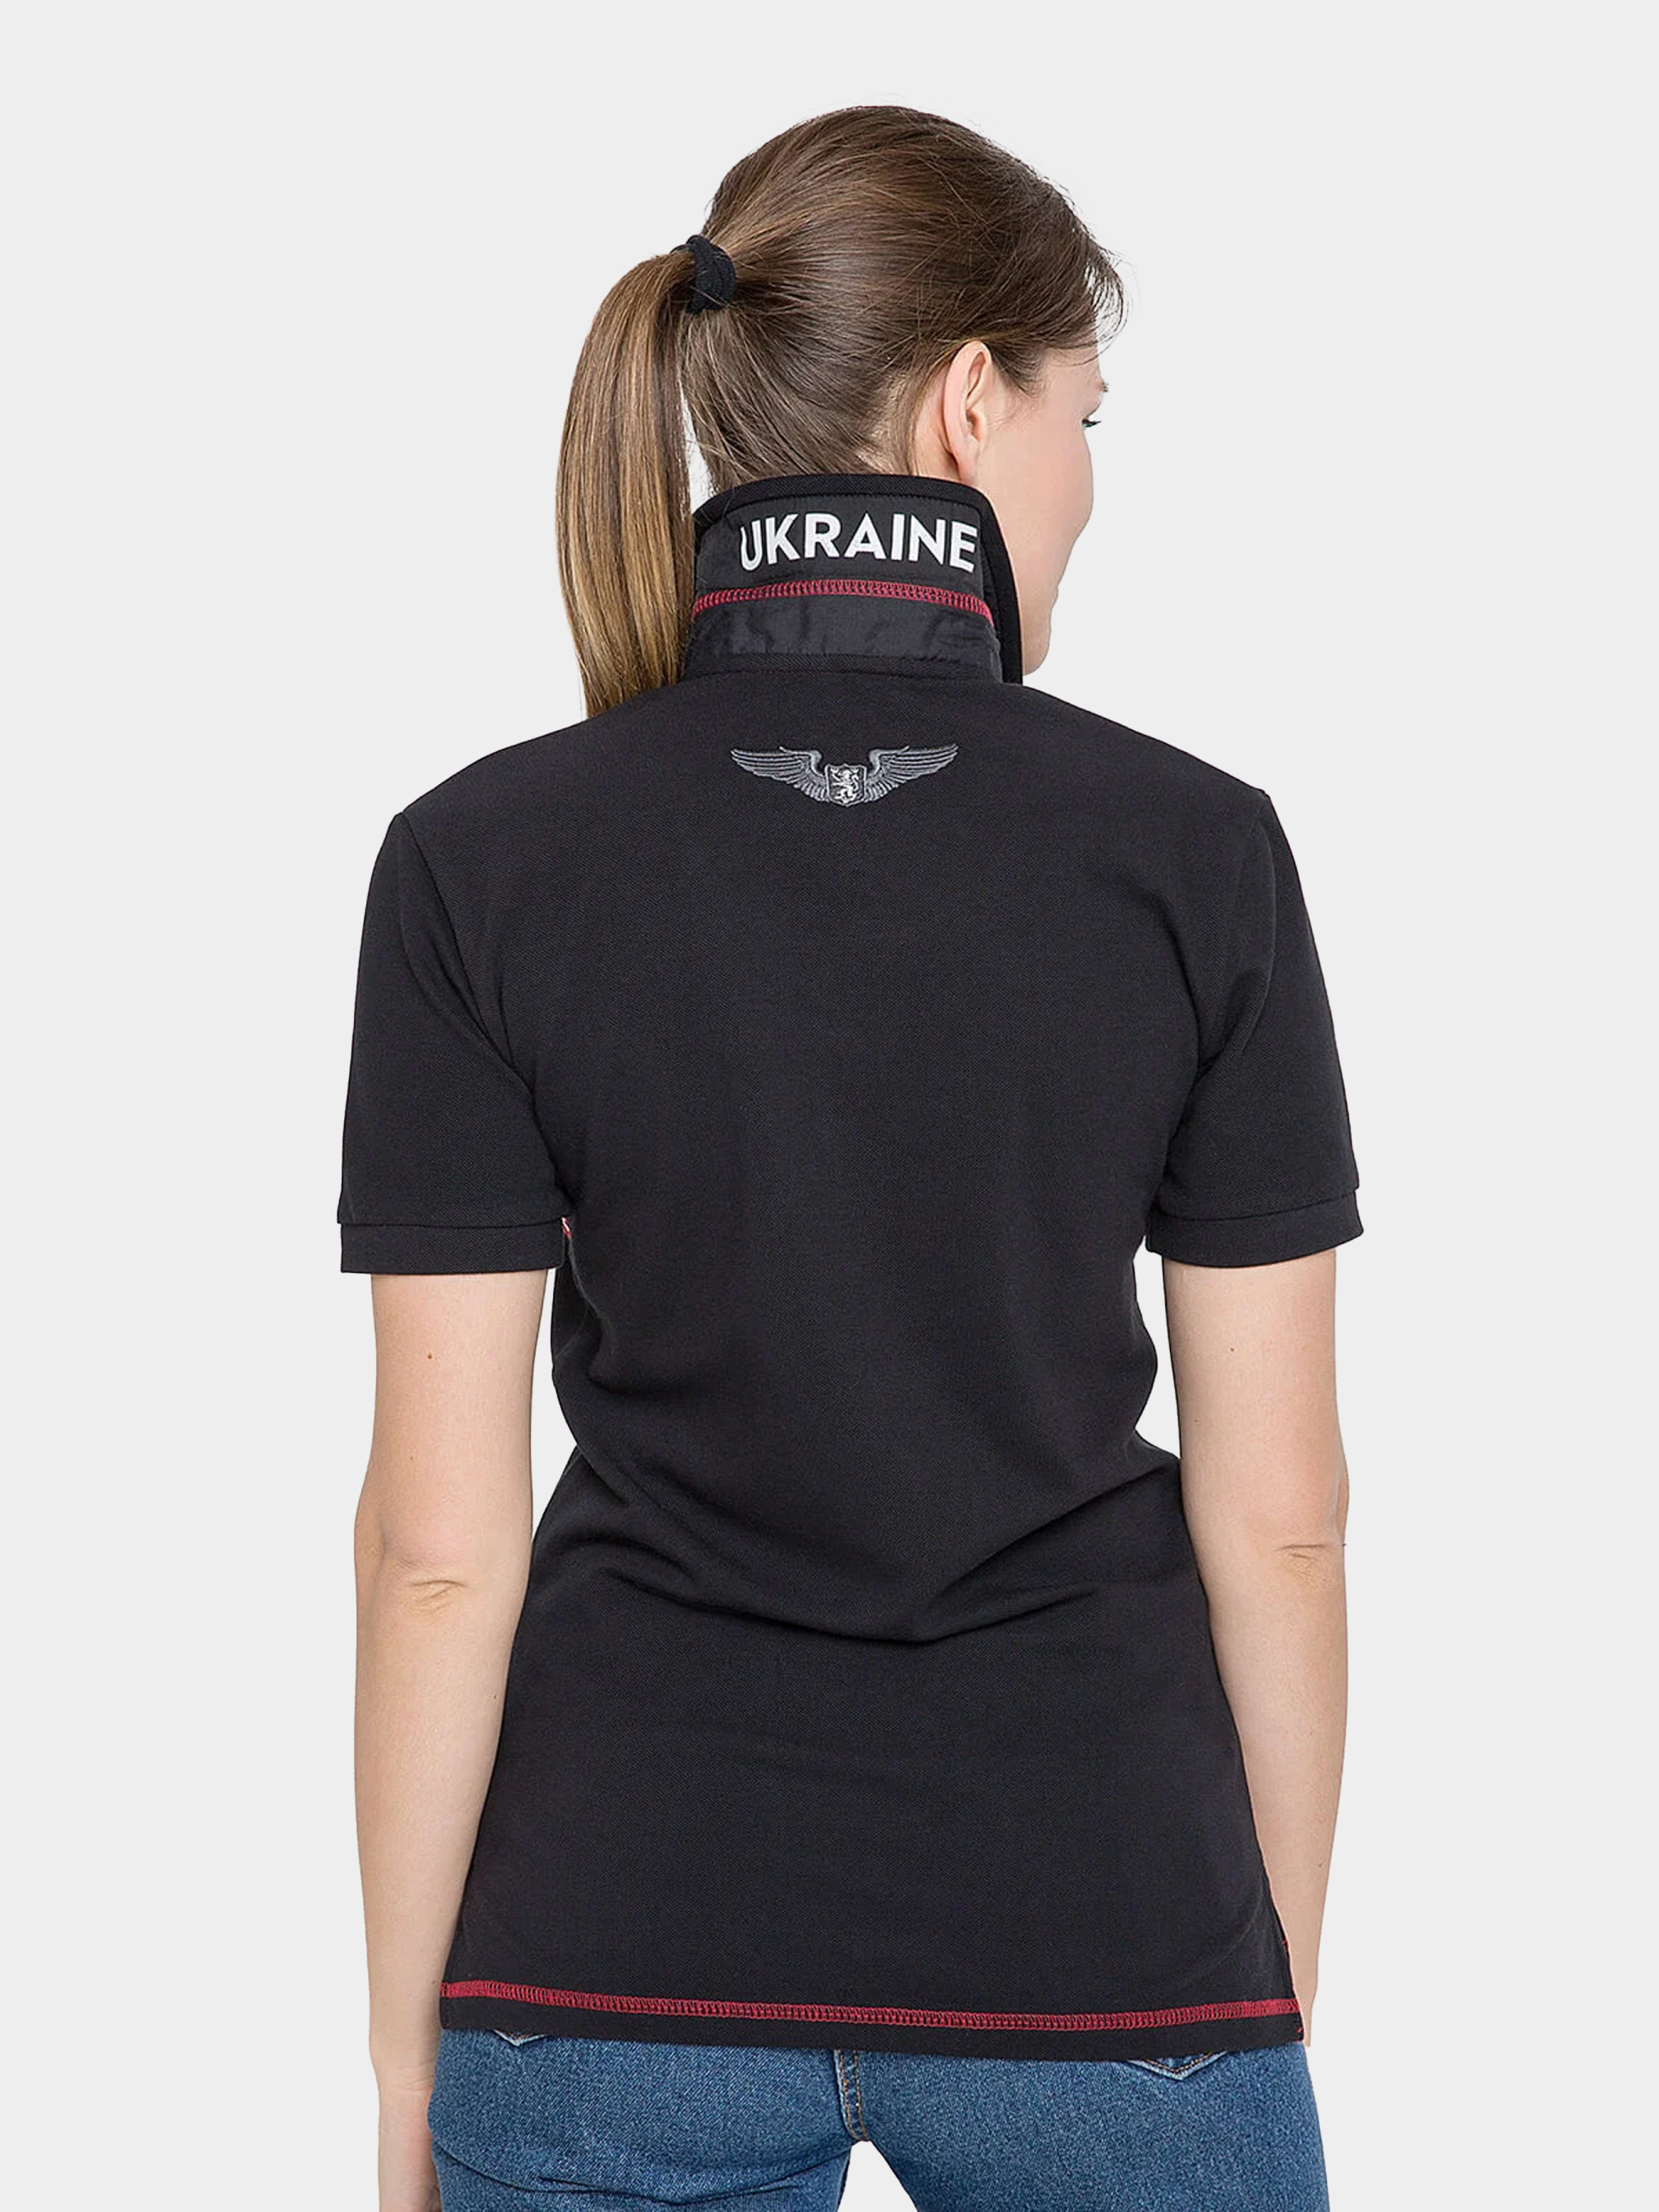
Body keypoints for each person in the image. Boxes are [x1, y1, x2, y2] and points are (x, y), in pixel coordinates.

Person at [338, 104, 1361, 2212]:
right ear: (973, 403)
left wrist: (408, 2067)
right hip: (1105, 1930)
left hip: (606, 1960)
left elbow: (436, 1550)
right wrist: (1246, 1994)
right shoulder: (1192, 853)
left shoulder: (477, 861)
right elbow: (1282, 1521)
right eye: (1086, 414)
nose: (1088, 477)